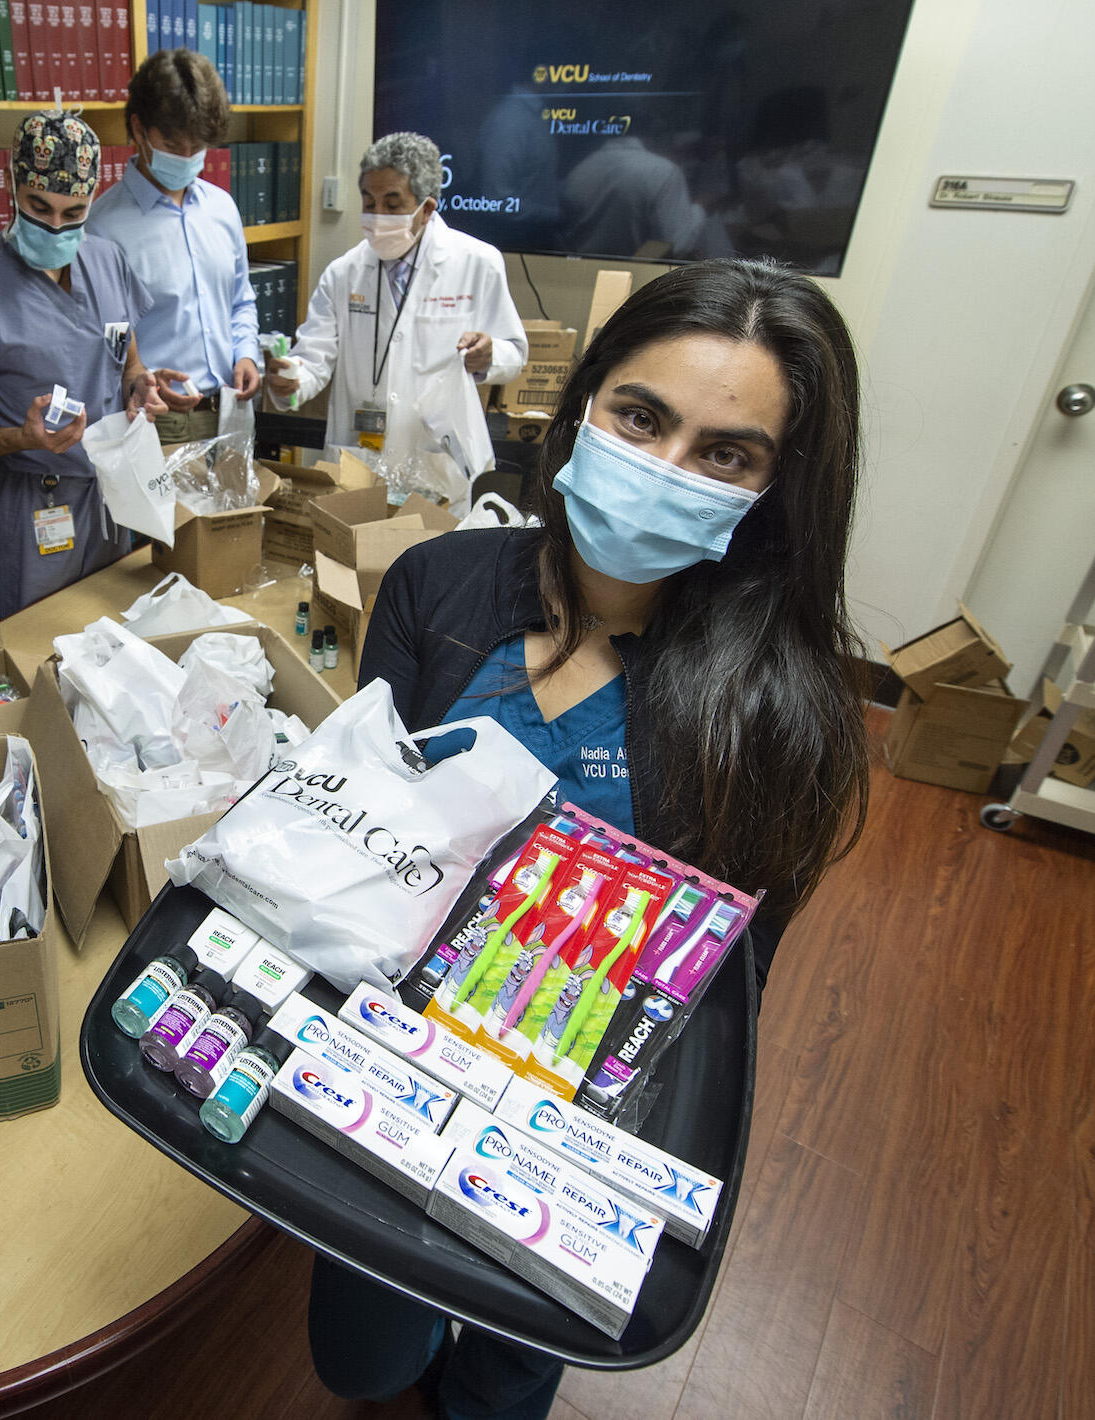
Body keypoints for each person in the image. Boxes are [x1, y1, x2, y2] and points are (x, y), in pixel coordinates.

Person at [316, 258, 872, 1418]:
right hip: (397, 1049)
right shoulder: (434, 587)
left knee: (509, 1366)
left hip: (578, 1105)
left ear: (772, 491)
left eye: (724, 454)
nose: (660, 468)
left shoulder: (775, 717)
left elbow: (717, 995)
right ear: (579, 411)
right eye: (638, 417)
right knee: (359, 1360)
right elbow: (364, 823)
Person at [0, 110, 172, 616]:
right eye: (38, 207)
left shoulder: (107, 261)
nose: (55, 226)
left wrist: (142, 386)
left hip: (112, 491)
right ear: (10, 184)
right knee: (46, 641)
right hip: (38, 500)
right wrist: (21, 438)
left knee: (118, 633)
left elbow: (126, 361)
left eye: (74, 212)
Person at [266, 132, 527, 473]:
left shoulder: (477, 262)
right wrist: (291, 381)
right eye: (369, 202)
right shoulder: (343, 273)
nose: (377, 215)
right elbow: (314, 360)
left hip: (436, 461)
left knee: (437, 527)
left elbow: (515, 353)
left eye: (392, 204)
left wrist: (489, 354)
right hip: (358, 460)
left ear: (427, 208)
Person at [85, 49, 262, 446]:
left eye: (196, 146)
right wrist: (139, 380)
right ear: (139, 129)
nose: (186, 157)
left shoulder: (222, 208)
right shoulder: (101, 227)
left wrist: (246, 354)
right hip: (156, 422)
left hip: (231, 412)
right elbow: (99, 338)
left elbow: (240, 301)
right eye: (173, 143)